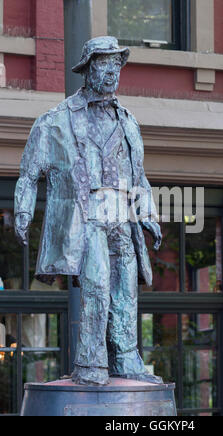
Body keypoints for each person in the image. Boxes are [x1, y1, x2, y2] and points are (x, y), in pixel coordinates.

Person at [14, 36, 162, 386]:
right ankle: (91, 364)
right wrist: (23, 213)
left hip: (121, 216)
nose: (111, 72)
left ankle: (125, 359)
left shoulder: (128, 121)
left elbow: (139, 175)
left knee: (126, 289)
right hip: (87, 215)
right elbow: (29, 173)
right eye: (103, 63)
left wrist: (149, 216)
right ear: (87, 69)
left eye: (116, 65)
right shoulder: (56, 120)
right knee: (96, 284)